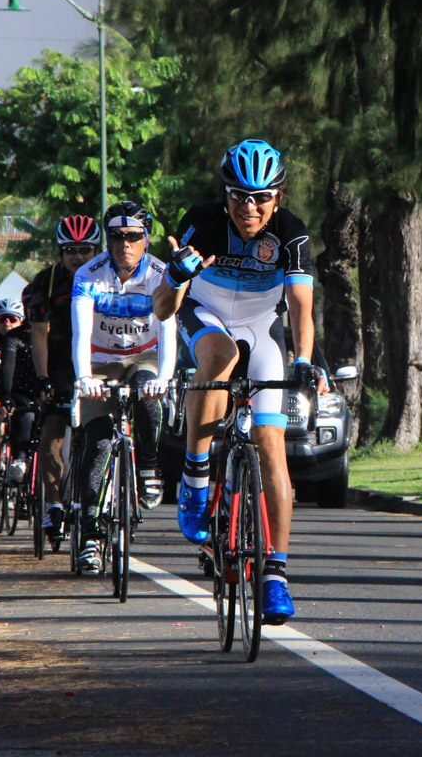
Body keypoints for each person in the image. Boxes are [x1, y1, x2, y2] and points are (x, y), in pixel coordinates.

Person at [153, 138, 324, 625]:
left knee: (270, 442)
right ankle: (194, 475)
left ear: (279, 197)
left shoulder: (291, 234)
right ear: (224, 195)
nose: (248, 207)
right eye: (238, 195)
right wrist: (176, 273)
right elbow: (162, 309)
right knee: (221, 356)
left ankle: (275, 574)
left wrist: (306, 360)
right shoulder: (202, 222)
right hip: (205, 312)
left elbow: (300, 307)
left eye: (261, 197)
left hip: (261, 325)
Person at [71, 201, 174, 573]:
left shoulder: (162, 273)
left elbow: (169, 331)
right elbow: (80, 333)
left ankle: (148, 465)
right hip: (100, 362)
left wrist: (164, 377)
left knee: (149, 396)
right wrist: (84, 378)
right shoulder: (88, 274)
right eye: (116, 236)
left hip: (144, 357)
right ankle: (91, 538)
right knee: (98, 444)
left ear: (146, 239)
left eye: (133, 237)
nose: (124, 244)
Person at [28, 215, 101, 537]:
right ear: (60, 251)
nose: (77, 257)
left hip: (100, 360)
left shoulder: (107, 277)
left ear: (96, 249)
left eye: (85, 250)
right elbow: (39, 334)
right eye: (70, 250)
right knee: (51, 433)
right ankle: (54, 504)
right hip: (59, 363)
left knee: (100, 434)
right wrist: (42, 377)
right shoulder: (45, 282)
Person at [0, 298, 35, 484]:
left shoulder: (29, 336)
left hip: (28, 386)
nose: (7, 324)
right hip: (0, 387)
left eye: (12, 319)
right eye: (2, 319)